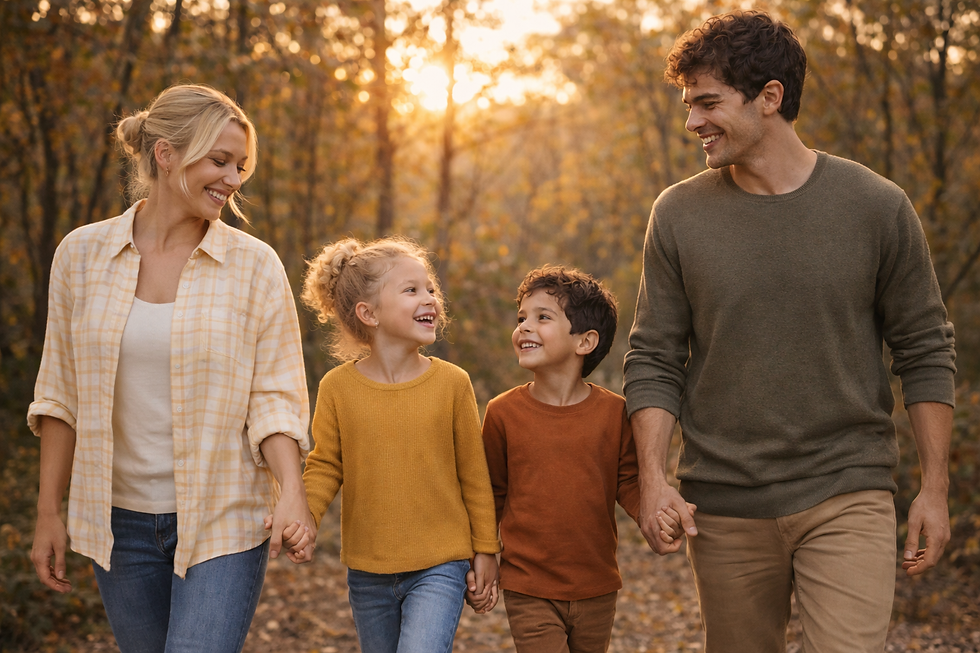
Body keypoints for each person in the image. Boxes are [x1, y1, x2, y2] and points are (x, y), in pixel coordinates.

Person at [623, 10, 956, 653]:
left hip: (847, 489)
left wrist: (934, 491)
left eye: (708, 102)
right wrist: (655, 479)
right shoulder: (678, 214)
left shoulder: (876, 206)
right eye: (689, 104)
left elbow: (924, 348)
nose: (692, 121)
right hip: (722, 504)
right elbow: (655, 357)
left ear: (770, 98)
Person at [27, 84, 313, 652]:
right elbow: (60, 396)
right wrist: (47, 512)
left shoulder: (254, 267)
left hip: (223, 517)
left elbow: (276, 398)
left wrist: (291, 491)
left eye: (241, 166)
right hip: (120, 525)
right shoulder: (79, 256)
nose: (234, 179)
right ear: (165, 154)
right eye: (220, 160)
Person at [296, 236, 500, 653]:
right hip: (368, 573)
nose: (430, 298)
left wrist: (486, 551)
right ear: (368, 313)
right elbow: (325, 466)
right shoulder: (337, 388)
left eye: (430, 288)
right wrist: (305, 518)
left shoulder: (452, 384)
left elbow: (475, 477)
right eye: (412, 290)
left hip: (441, 564)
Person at [470, 265, 686, 652]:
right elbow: (491, 493)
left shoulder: (614, 413)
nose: (524, 327)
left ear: (584, 342)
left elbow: (628, 483)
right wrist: (483, 554)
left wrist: (655, 517)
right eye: (521, 318)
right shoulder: (503, 413)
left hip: (597, 586)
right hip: (528, 584)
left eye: (542, 317)